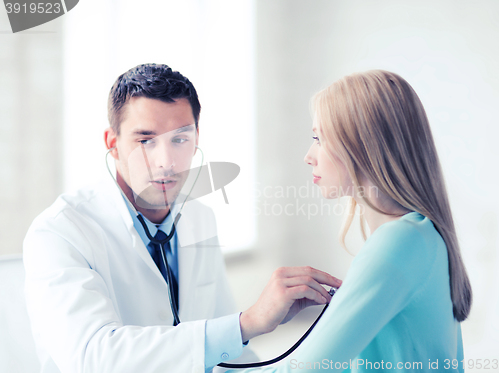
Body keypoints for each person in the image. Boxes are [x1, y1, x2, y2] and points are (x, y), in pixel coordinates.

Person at [23, 63, 341, 373]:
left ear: (196, 138)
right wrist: (248, 323)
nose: (167, 162)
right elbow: (94, 358)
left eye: (179, 139)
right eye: (145, 140)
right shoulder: (58, 233)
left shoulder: (199, 218)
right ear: (113, 144)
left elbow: (226, 353)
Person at [228, 70, 472, 373]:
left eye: (318, 138)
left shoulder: (398, 243)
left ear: (363, 147)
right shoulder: (421, 235)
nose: (308, 156)